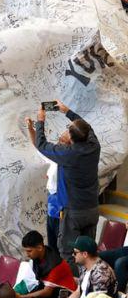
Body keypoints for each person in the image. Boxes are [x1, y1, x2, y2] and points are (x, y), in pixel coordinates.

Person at [27, 101, 101, 263]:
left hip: (74, 212)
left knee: (68, 252)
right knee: (88, 250)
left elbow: (41, 144)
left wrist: (41, 121)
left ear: (71, 139)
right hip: (92, 208)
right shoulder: (94, 146)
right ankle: (87, 283)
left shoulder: (67, 154)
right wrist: (67, 111)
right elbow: (87, 127)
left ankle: (72, 287)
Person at [38, 236, 117, 298]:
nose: (72, 255)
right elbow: (78, 292)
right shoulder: (84, 266)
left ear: (85, 254)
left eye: (75, 252)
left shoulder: (102, 273)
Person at [15, 230, 77, 298]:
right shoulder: (40, 256)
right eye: (26, 251)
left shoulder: (54, 265)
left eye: (29, 251)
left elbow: (47, 292)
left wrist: (23, 296)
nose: (27, 254)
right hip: (51, 289)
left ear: (39, 248)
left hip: (64, 294)